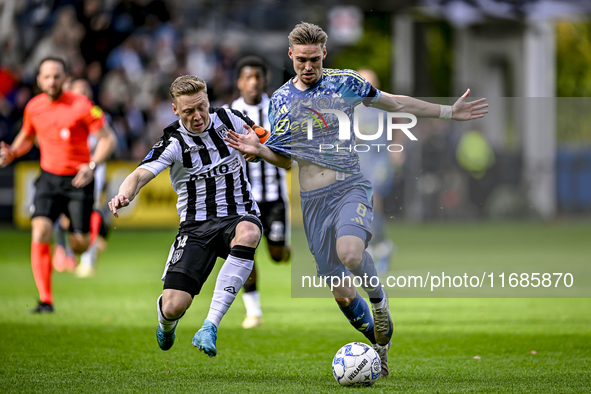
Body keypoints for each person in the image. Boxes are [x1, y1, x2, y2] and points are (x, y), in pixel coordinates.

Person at [225, 22, 488, 378]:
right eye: (301, 59)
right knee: (344, 295)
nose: (308, 66)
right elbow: (285, 158)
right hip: (312, 201)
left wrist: (446, 112)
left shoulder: (344, 82)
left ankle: (379, 302)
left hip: (349, 186)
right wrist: (260, 149)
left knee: (351, 253)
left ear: (324, 54)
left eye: (314, 59)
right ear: (291, 56)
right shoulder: (282, 101)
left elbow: (394, 103)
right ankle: (379, 347)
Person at [108, 75, 271, 357]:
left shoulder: (231, 118)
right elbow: (138, 175)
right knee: (173, 306)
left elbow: (267, 142)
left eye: (202, 107)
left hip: (238, 215)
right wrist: (124, 194)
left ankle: (210, 325)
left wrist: (259, 150)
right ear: (174, 110)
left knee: (250, 232)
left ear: (208, 100)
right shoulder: (173, 142)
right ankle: (166, 324)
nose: (198, 116)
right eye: (188, 111)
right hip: (196, 228)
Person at [0, 57, 117, 313]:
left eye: (56, 76)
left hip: (79, 180)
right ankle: (46, 300)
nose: (52, 81)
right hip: (48, 178)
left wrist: (93, 165)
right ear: (39, 80)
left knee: (80, 244)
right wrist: (12, 152)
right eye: (47, 76)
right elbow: (27, 137)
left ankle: (85, 229)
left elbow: (108, 140)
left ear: (65, 79)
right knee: (39, 229)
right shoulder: (34, 107)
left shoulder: (82, 105)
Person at [226, 56, 290, 329]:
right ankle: (254, 312)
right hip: (242, 199)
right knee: (244, 251)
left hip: (274, 196)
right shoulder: (227, 113)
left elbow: (289, 151)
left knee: (276, 255)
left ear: (264, 81)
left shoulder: (279, 111)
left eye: (258, 77)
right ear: (240, 82)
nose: (253, 82)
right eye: (248, 77)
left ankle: (284, 250)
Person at [52, 78, 112, 278]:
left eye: (85, 91)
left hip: (91, 168)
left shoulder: (95, 113)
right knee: (65, 213)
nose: (82, 95)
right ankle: (67, 252)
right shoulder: (64, 111)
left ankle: (87, 259)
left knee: (90, 212)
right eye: (78, 91)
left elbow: (105, 140)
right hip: (67, 168)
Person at [355, 68, 403, 275]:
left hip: (379, 160)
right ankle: (382, 244)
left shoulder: (383, 106)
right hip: (359, 162)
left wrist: (397, 148)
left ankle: (374, 247)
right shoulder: (350, 108)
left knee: (372, 197)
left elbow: (399, 125)